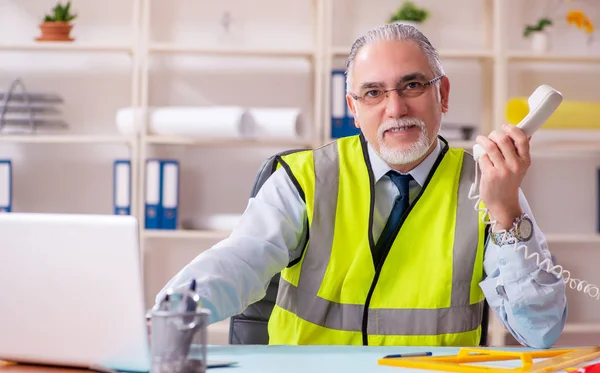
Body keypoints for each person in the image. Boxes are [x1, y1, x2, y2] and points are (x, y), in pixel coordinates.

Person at [155, 22, 567, 348]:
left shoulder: (490, 185)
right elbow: (238, 263)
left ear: (442, 94)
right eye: (373, 93)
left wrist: (505, 212)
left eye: (412, 85)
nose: (395, 108)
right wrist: (167, 318)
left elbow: (540, 330)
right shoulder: (305, 178)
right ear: (353, 108)